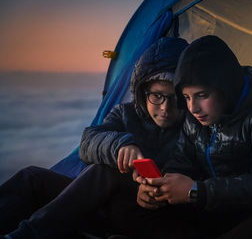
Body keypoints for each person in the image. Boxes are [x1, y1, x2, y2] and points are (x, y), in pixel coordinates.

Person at [0, 37, 189, 238]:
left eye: (174, 98)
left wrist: (149, 190)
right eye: (157, 96)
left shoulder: (193, 128)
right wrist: (120, 146)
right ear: (143, 92)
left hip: (140, 214)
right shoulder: (126, 113)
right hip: (97, 203)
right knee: (32, 177)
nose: (165, 108)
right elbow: (88, 142)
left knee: (105, 170)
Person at [136, 35, 252, 238]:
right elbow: (180, 164)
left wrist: (197, 190)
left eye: (202, 95)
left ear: (225, 88)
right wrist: (159, 190)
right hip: (220, 209)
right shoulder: (195, 120)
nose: (193, 107)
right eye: (186, 97)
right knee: (140, 206)